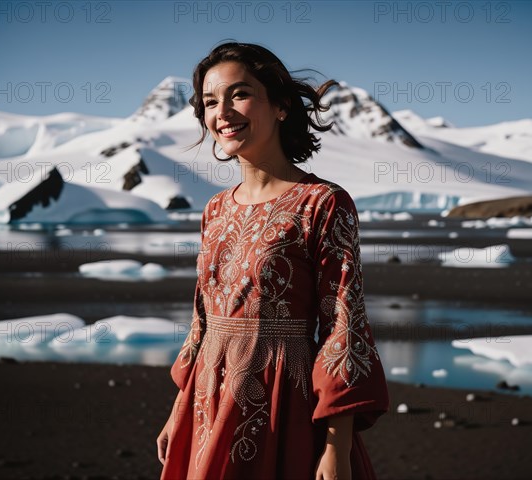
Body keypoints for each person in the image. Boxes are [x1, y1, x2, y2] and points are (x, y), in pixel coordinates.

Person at [157, 41, 389, 480]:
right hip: (205, 402)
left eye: (239, 94)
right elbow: (202, 320)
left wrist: (336, 448)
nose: (222, 111)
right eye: (210, 102)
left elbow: (344, 324)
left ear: (281, 106)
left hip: (284, 401)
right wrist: (178, 412)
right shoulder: (215, 209)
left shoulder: (323, 203)